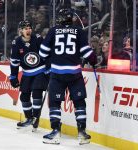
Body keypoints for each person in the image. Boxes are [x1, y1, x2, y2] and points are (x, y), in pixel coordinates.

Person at [39, 8, 97, 145]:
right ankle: (82, 133)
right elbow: (87, 53)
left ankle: (55, 132)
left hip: (57, 73)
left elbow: (42, 53)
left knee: (54, 102)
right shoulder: (78, 31)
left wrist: (51, 59)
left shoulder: (53, 30)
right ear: (72, 18)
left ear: (59, 19)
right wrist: (94, 60)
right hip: (74, 73)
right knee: (79, 101)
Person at [9, 20, 49, 132]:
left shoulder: (38, 38)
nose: (28, 30)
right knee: (24, 96)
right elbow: (14, 61)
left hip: (40, 71)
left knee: (37, 93)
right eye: (25, 28)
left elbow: (47, 53)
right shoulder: (16, 43)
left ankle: (36, 117)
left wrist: (48, 68)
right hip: (26, 72)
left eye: (29, 27)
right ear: (20, 30)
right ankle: (29, 118)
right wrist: (13, 76)